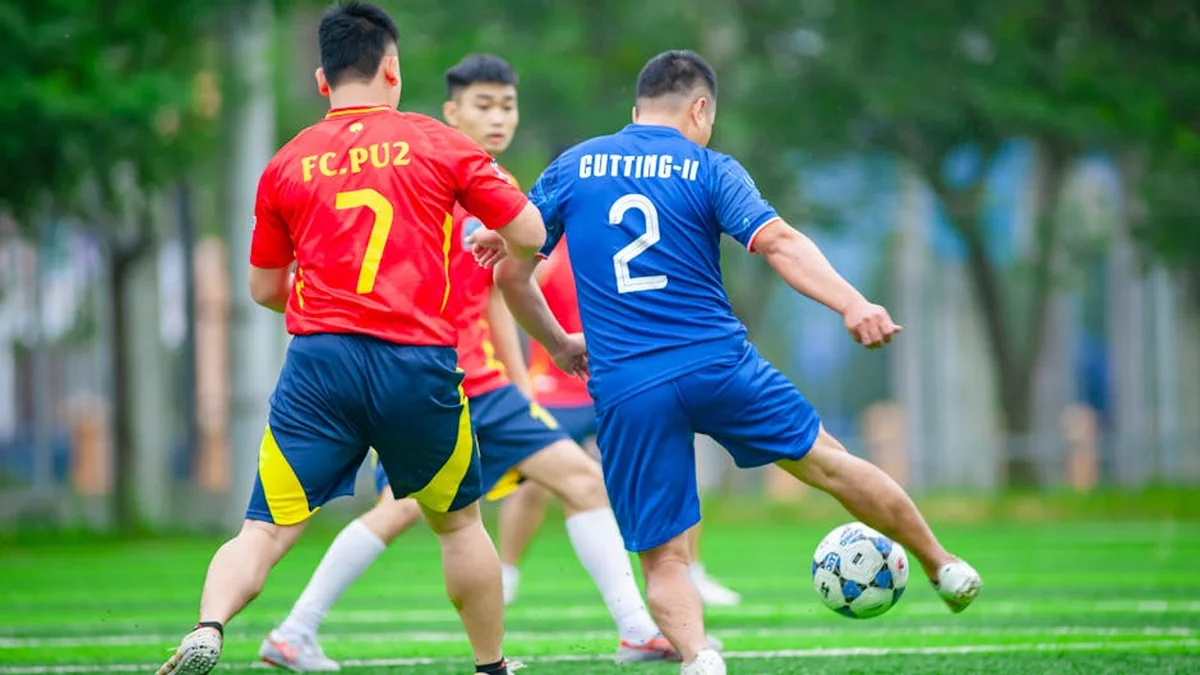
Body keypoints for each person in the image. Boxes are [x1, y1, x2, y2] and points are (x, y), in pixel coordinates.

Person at [487, 50, 983, 675]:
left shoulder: (572, 167)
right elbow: (777, 242)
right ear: (700, 109)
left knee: (665, 558)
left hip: (629, 384)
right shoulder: (707, 166)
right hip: (717, 364)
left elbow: (510, 273)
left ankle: (699, 658)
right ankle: (945, 566)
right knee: (830, 464)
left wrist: (560, 343)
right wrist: (853, 303)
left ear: (635, 108)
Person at [256, 53, 691, 673]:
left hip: (482, 385)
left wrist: (523, 389)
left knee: (581, 482)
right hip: (427, 382)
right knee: (401, 511)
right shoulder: (431, 170)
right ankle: (295, 630)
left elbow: (495, 300)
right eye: (482, 105)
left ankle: (635, 629)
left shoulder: (493, 184)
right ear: (450, 110)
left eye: (507, 105)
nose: (497, 117)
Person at [153, 5, 545, 675]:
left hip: (318, 364)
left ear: (321, 80)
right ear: (392, 68)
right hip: (413, 362)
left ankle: (209, 626)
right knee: (457, 523)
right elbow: (531, 234)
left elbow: (263, 288)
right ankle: (492, 667)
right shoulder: (439, 142)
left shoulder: (286, 163)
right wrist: (498, 240)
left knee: (264, 529)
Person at [498, 234, 743, 607]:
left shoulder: (620, 242)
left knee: (672, 467)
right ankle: (505, 574)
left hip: (617, 381)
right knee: (533, 483)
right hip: (555, 386)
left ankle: (693, 572)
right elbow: (511, 287)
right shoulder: (547, 246)